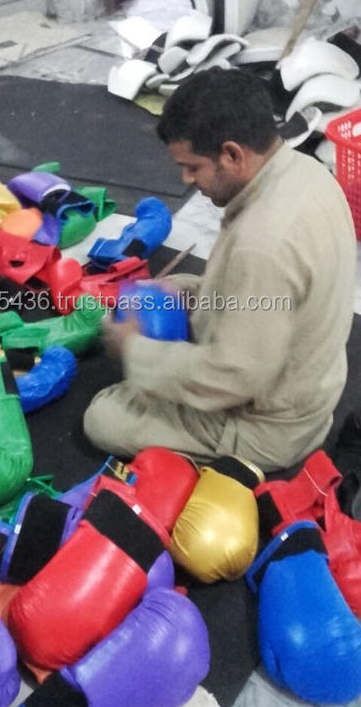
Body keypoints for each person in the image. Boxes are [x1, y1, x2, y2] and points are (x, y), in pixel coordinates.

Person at [83, 68, 356, 471]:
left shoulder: (263, 242)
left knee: (103, 416)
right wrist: (190, 290)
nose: (186, 178)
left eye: (193, 167)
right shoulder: (308, 171)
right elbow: (275, 295)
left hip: (271, 427)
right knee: (174, 297)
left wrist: (135, 351)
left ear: (232, 155)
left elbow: (233, 378)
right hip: (308, 382)